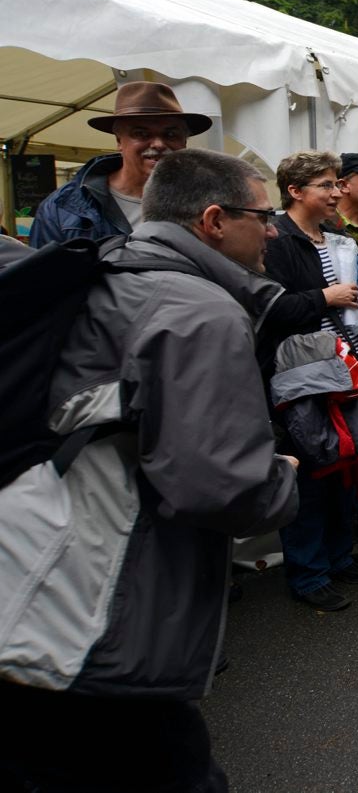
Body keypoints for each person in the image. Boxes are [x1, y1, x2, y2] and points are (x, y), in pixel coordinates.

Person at [0, 148, 298, 791]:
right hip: (93, 613)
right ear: (214, 221)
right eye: (264, 215)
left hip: (32, 576)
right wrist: (285, 475)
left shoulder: (113, 268)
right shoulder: (199, 311)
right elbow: (222, 485)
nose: (273, 230)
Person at [261, 151, 358, 612]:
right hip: (301, 376)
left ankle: (338, 555)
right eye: (327, 186)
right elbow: (269, 309)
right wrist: (323, 296)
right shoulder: (275, 238)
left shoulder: (331, 236)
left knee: (342, 467)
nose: (337, 193)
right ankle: (309, 573)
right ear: (295, 191)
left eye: (337, 185)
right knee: (312, 472)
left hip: (341, 367)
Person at [30, 81, 208, 247]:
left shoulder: (209, 200)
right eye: (142, 134)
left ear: (184, 142)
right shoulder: (63, 207)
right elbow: (40, 276)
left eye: (170, 135)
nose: (158, 144)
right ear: (119, 141)